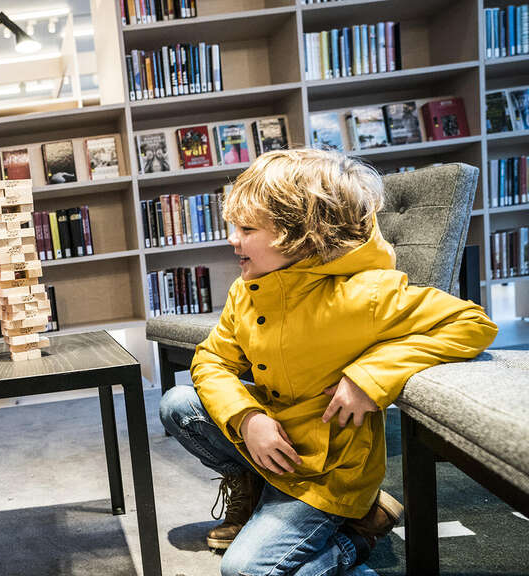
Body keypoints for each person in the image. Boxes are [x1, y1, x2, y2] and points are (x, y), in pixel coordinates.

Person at [158, 149, 497, 575]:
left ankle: (355, 537)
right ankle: (257, 488)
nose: (232, 238)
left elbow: (471, 323)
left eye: (247, 228)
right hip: (274, 442)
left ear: (301, 236)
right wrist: (247, 419)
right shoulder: (247, 291)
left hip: (328, 474)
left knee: (243, 570)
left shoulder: (366, 293)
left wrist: (369, 377)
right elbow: (211, 359)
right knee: (178, 404)